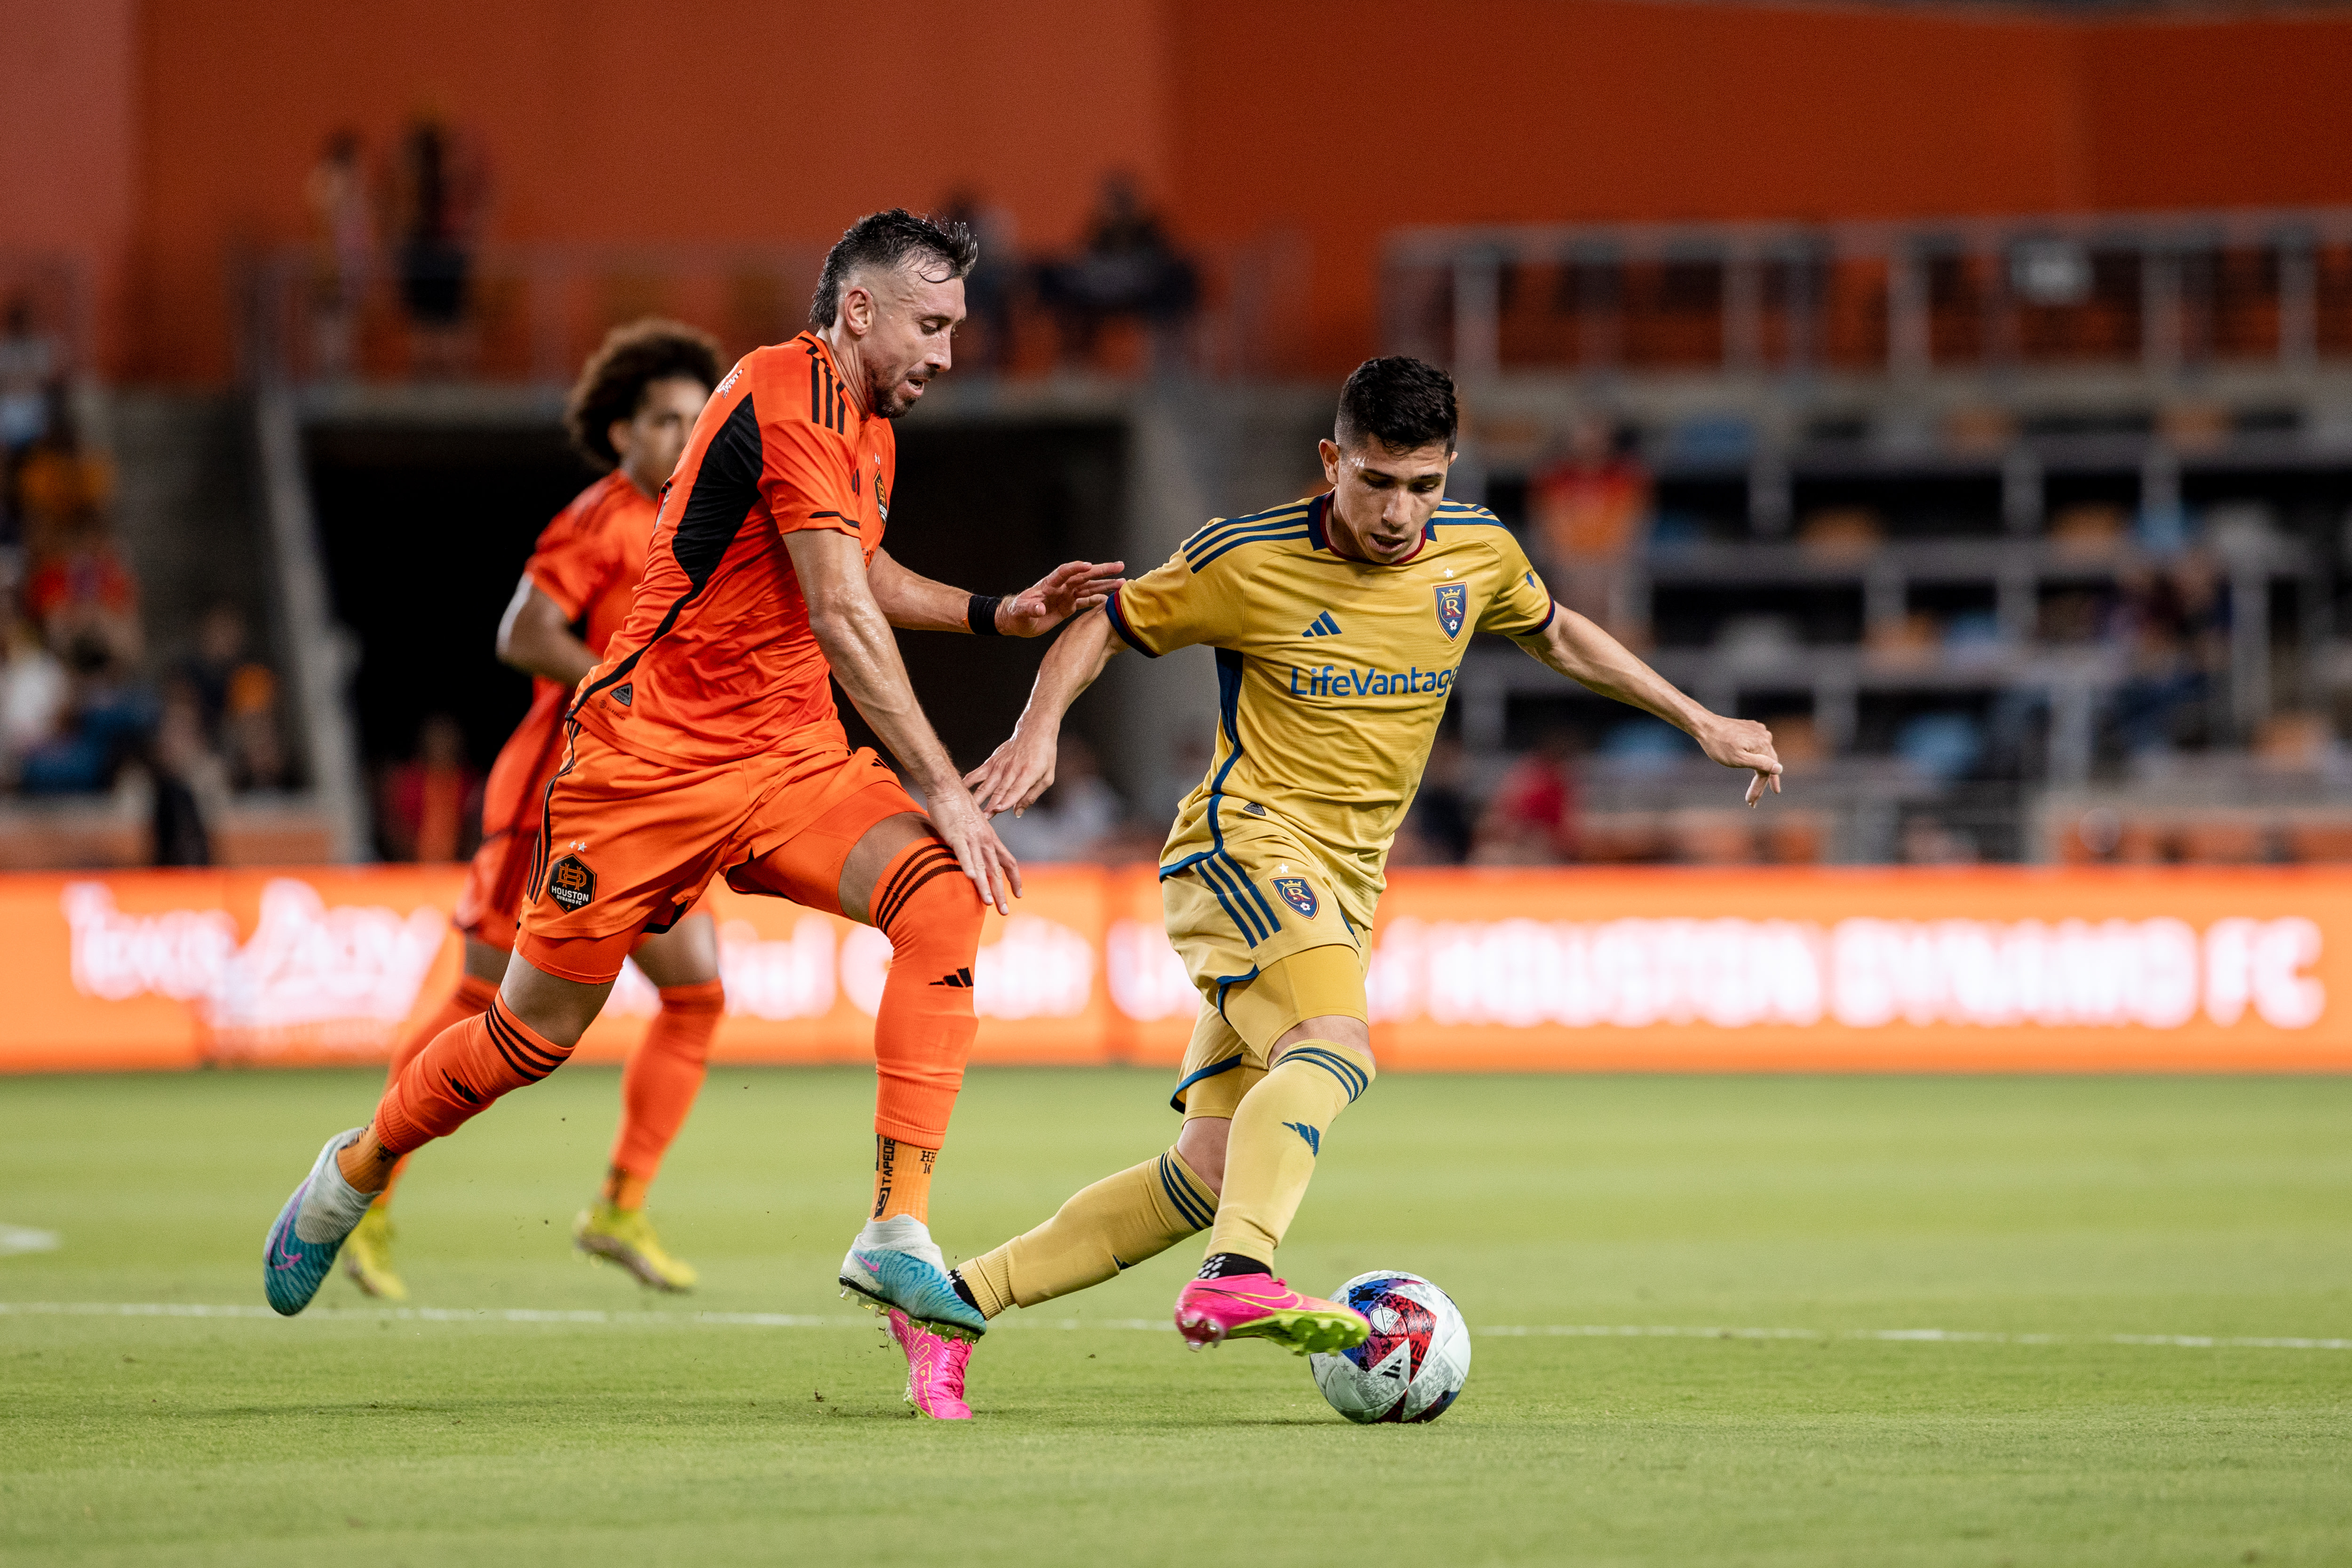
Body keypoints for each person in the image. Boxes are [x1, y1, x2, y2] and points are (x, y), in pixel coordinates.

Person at [263, 212, 1125, 1348]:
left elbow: (858, 562)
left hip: (786, 763)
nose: (947, 354)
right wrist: (948, 788)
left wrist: (990, 611)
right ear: (858, 309)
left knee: (944, 897)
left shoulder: (867, 425)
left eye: (956, 328)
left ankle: (895, 1227)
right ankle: (356, 1166)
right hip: (645, 770)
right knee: (531, 1038)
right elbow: (839, 609)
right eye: (932, 324)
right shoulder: (786, 388)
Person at [893, 357, 1781, 1419]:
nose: (1401, 510)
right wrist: (1037, 727)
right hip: (1245, 844)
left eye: (1423, 484)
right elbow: (1105, 621)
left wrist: (1698, 718)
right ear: (1331, 461)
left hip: (1347, 883)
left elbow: (1552, 628)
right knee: (1336, 1045)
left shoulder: (1478, 550)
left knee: (1210, 1171)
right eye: (1376, 481)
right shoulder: (1244, 558)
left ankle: (951, 1305)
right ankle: (1238, 1277)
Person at [340, 321, 730, 1301]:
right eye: (665, 420)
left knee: (696, 994)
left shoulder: (707, 521)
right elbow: (522, 631)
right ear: (620, 437)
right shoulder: (599, 520)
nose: (686, 437)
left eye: (699, 417)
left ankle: (619, 1206)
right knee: (478, 1005)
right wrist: (621, 683)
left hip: (652, 801)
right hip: (556, 798)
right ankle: (364, 1194)